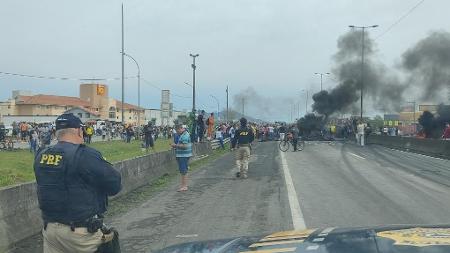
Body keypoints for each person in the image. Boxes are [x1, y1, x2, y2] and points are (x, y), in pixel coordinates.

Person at [34, 113, 121, 253]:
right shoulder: (85, 154)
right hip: (80, 233)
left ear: (57, 132)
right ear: (79, 131)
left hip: (50, 230)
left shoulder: (41, 154)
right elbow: (115, 185)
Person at [171, 124, 192, 192]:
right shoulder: (184, 134)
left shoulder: (185, 135)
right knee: (184, 171)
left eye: (177, 131)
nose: (177, 132)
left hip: (183, 156)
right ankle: (184, 185)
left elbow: (184, 146)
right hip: (183, 155)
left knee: (183, 171)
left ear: (180, 129)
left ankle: (184, 186)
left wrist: (175, 145)